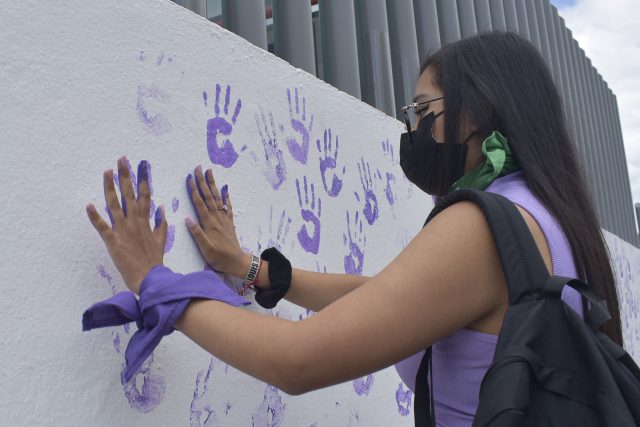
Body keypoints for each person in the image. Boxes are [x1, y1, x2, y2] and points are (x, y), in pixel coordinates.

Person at [84, 32, 622, 426]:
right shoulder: (547, 216)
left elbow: (296, 361)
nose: (410, 128)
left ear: (476, 111)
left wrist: (157, 284)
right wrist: (255, 270)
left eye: (421, 109)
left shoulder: (484, 226)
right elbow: (393, 302)